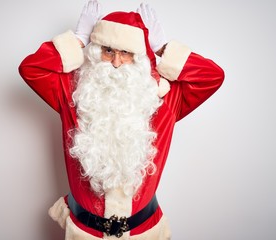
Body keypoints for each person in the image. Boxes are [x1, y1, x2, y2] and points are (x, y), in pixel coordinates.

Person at [18, 0, 224, 239]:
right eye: (108, 51)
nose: (116, 62)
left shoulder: (164, 100)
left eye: (125, 52)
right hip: (85, 233)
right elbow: (31, 69)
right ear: (97, 52)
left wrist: (164, 49)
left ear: (139, 57)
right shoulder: (75, 94)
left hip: (144, 233)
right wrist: (78, 39)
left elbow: (213, 76)